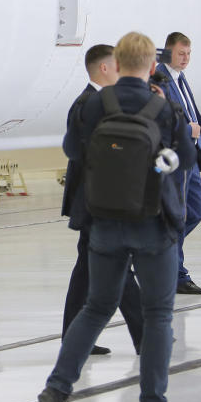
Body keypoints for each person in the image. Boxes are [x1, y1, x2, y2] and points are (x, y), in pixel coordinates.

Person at [38, 32, 196, 402]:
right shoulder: (165, 106)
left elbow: (73, 151)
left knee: (95, 308)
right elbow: (186, 158)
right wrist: (154, 169)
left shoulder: (92, 105)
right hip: (153, 224)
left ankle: (57, 388)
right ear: (151, 65)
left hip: (103, 221)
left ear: (119, 64)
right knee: (158, 314)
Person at [61, 45, 144, 356]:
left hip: (99, 203)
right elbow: (85, 155)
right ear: (105, 69)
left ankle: (73, 337)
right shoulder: (89, 104)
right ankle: (145, 336)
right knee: (119, 269)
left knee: (87, 271)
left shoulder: (99, 102)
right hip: (99, 203)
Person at [156, 33, 201, 295]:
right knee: (178, 217)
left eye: (188, 53)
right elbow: (160, 119)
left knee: (195, 213)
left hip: (191, 159)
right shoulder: (160, 79)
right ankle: (176, 273)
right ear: (167, 53)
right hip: (176, 158)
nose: (186, 58)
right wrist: (187, 130)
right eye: (180, 53)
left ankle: (162, 254)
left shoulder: (180, 78)